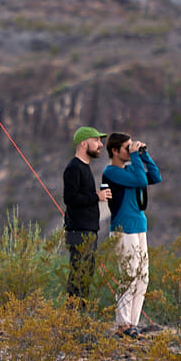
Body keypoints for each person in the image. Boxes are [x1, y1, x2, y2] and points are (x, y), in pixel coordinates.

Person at [99, 131, 162, 336]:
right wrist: (136, 158)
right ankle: (123, 323)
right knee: (129, 274)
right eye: (127, 147)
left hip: (139, 226)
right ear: (115, 151)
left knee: (142, 276)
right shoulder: (111, 173)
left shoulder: (130, 170)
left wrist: (144, 155)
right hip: (123, 228)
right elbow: (138, 180)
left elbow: (154, 177)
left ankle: (133, 324)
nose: (130, 149)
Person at [61, 127, 110, 298]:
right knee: (78, 275)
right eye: (96, 140)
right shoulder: (74, 168)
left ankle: (79, 317)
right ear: (83, 143)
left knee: (85, 276)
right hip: (79, 231)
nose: (100, 145)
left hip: (88, 230)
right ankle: (73, 318)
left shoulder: (84, 167)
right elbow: (70, 198)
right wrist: (97, 196)